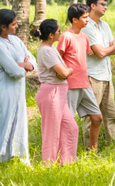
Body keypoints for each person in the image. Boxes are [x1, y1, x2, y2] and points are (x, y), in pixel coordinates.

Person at [0, 9, 37, 175]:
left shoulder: (15, 40)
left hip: (17, 90)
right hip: (2, 91)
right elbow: (15, 71)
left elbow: (32, 60)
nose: (17, 26)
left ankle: (23, 159)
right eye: (14, 24)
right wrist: (23, 65)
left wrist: (27, 65)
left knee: (19, 122)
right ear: (3, 27)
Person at [32, 19, 79, 166]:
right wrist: (69, 70)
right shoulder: (46, 51)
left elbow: (61, 72)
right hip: (51, 94)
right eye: (59, 31)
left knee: (71, 127)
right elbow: (64, 72)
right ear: (51, 35)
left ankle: (66, 161)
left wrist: (64, 72)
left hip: (59, 93)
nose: (61, 32)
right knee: (51, 132)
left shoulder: (51, 48)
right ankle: (49, 164)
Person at [57, 3, 103, 151]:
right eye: (84, 17)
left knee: (97, 117)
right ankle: (66, 153)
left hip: (85, 84)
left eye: (87, 16)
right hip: (70, 85)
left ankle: (92, 151)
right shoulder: (66, 36)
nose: (87, 19)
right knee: (68, 122)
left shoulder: (84, 37)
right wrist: (62, 74)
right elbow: (57, 58)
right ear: (74, 20)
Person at [81, 0, 115, 147]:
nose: (106, 7)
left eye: (106, 4)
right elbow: (101, 53)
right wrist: (107, 49)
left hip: (107, 75)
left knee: (111, 115)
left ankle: (114, 147)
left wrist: (106, 49)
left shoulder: (105, 25)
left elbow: (114, 48)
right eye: (102, 4)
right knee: (92, 117)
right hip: (93, 76)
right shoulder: (87, 26)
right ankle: (89, 150)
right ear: (93, 6)